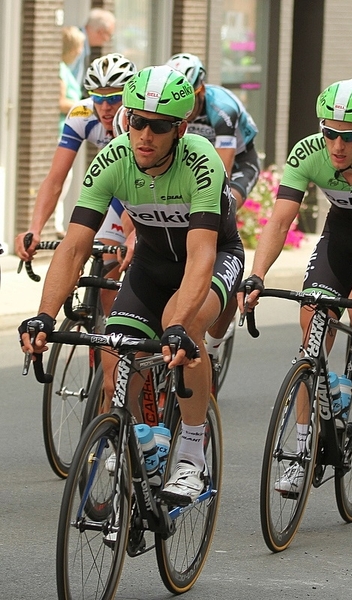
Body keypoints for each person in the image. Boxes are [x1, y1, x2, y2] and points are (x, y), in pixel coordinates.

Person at [19, 65, 244, 506]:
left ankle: (192, 455)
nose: (144, 134)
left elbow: (201, 255)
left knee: (186, 329)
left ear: (179, 129)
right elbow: (74, 247)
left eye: (158, 127)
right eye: (137, 120)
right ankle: (144, 438)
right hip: (152, 263)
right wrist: (45, 314)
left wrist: (177, 324)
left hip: (213, 257)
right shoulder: (114, 158)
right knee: (113, 355)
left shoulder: (201, 160)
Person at [239, 79, 352, 440]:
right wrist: (256, 275)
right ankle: (302, 443)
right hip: (342, 233)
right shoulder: (308, 153)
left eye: (349, 136)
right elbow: (280, 219)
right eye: (330, 133)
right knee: (312, 331)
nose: (337, 145)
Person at [15, 53, 137, 313]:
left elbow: (140, 185)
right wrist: (35, 228)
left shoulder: (138, 122)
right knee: (103, 275)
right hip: (113, 187)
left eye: (114, 98)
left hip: (146, 189)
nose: (105, 107)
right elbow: (55, 179)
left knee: (132, 255)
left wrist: (136, 232)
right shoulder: (81, 114)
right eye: (98, 98)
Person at [165, 52, 260, 211]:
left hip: (239, 162)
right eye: (177, 101)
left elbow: (222, 172)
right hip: (194, 160)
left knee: (223, 207)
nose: (183, 108)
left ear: (201, 90)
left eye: (189, 99)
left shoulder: (223, 108)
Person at [56, 26, 85, 238]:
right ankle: (55, 225)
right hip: (60, 131)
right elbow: (60, 102)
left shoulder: (66, 69)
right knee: (62, 176)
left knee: (66, 178)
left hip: (65, 129)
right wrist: (83, 105)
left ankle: (57, 223)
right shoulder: (60, 71)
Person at [70, 8, 116, 88]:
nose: (107, 39)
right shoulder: (76, 44)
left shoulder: (83, 44)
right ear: (100, 31)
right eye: (109, 35)